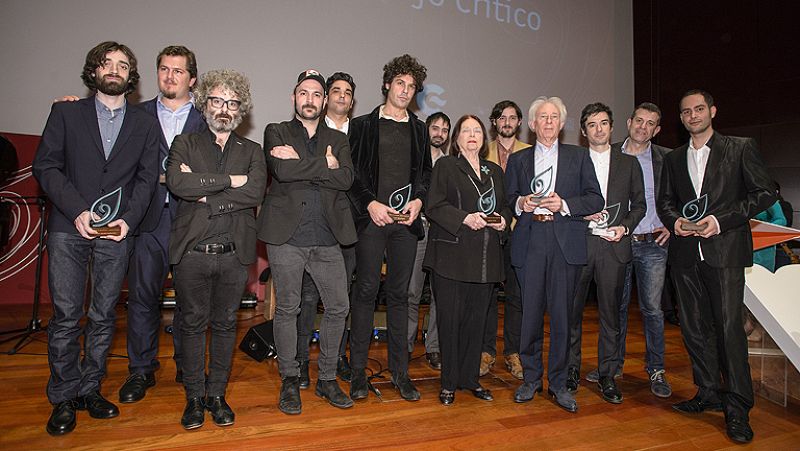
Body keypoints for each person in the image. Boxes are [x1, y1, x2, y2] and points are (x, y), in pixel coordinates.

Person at [33, 41, 160, 436]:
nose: (115, 69)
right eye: (107, 63)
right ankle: (64, 397)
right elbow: (46, 165)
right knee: (68, 316)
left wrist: (128, 219)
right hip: (68, 229)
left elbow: (146, 178)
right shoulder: (66, 112)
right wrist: (77, 210)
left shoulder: (144, 122)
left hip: (116, 232)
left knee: (104, 316)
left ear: (130, 76)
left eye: (123, 65)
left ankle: (90, 390)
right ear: (94, 70)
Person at [657, 89, 776, 444]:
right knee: (694, 329)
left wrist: (720, 220)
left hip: (724, 251)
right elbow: (666, 202)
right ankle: (707, 392)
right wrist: (675, 222)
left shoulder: (740, 148)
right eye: (685, 112)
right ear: (680, 118)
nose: (692, 115)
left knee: (728, 331)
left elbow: (764, 192)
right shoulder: (674, 159)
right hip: (685, 254)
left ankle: (737, 406)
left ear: (712, 110)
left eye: (698, 109)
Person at [166, 69, 266, 430]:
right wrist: (228, 183)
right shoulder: (185, 143)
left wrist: (207, 195)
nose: (224, 108)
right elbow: (178, 182)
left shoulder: (253, 151)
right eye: (218, 100)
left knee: (225, 326)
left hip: (233, 255)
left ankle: (216, 395)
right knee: (191, 326)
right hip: (192, 253)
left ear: (241, 109)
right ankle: (194, 397)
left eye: (232, 102)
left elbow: (254, 192)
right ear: (204, 102)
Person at [258, 70, 356, 415]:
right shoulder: (276, 131)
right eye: (304, 93)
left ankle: (327, 379)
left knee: (339, 307)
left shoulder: (339, 138)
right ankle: (289, 379)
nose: (310, 99)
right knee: (288, 308)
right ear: (293, 98)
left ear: (325, 100)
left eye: (317, 94)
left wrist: (301, 163)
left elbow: (345, 178)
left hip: (328, 236)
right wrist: (322, 165)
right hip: (287, 238)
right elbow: (281, 172)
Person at [120, 45, 207, 403]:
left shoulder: (205, 119)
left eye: (178, 71)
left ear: (192, 79)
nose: (170, 76)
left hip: (190, 219)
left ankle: (188, 369)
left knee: (191, 301)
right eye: (164, 69)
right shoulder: (133, 114)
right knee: (142, 297)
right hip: (147, 220)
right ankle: (141, 371)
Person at [506, 96, 603, 413]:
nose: (548, 122)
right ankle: (531, 379)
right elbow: (508, 200)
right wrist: (523, 203)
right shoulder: (519, 160)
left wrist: (563, 204)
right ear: (532, 125)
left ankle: (559, 384)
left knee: (563, 318)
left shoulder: (579, 157)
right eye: (542, 117)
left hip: (565, 242)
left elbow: (595, 200)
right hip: (531, 239)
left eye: (554, 117)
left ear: (562, 124)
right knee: (530, 315)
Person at [347, 54, 432, 402]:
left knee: (401, 297)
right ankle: (356, 375)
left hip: (404, 225)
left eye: (412, 86)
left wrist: (419, 202)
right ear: (387, 84)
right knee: (365, 293)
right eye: (400, 83)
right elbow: (352, 174)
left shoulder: (420, 129)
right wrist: (371, 204)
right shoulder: (362, 126)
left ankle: (400, 373)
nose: (405, 91)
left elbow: (425, 175)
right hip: (372, 221)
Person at [585, 102, 674, 399]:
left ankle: (656, 368)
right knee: (615, 308)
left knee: (652, 309)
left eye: (650, 123)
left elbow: (676, 197)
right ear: (628, 121)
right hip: (613, 243)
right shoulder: (607, 154)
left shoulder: (666, 159)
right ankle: (613, 366)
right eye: (639, 120)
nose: (643, 127)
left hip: (651, 243)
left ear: (657, 130)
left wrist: (670, 224)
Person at [424, 115, 511, 405]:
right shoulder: (446, 166)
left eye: (477, 131)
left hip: (487, 259)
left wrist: (503, 222)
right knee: (450, 322)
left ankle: (470, 379)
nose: (472, 135)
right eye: (466, 131)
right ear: (457, 138)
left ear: (484, 138)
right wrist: (464, 218)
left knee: (478, 323)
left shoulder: (495, 171)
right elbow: (434, 205)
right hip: (452, 257)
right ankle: (448, 382)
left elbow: (506, 208)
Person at [567, 103, 645, 404]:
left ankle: (607, 374)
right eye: (591, 125)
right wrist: (579, 213)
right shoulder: (573, 162)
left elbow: (639, 205)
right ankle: (571, 369)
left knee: (612, 315)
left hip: (614, 246)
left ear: (612, 127)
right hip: (579, 245)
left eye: (603, 123)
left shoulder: (629, 163)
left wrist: (624, 228)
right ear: (584, 132)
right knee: (571, 312)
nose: (598, 129)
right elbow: (566, 202)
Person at [293, 72, 358, 386]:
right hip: (308, 225)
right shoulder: (302, 131)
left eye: (348, 92)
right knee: (306, 298)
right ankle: (302, 361)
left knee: (339, 299)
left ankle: (335, 360)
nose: (342, 97)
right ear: (324, 97)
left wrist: (324, 170)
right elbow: (293, 174)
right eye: (336, 91)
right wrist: (327, 167)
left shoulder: (358, 132)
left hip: (346, 227)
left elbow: (351, 178)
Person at [481, 100, 529, 379]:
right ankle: (485, 352)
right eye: (502, 117)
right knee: (486, 295)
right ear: (494, 122)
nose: (507, 122)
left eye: (512, 117)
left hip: (521, 233)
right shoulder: (480, 150)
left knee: (517, 296)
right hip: (487, 234)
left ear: (519, 123)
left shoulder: (531, 153)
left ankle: (514, 352)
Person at [407, 111, 450, 370]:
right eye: (435, 127)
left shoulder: (451, 165)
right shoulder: (414, 161)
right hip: (419, 232)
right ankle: (405, 345)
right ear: (426, 130)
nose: (439, 133)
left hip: (442, 235)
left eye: (445, 130)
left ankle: (433, 347)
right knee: (411, 292)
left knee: (439, 294)